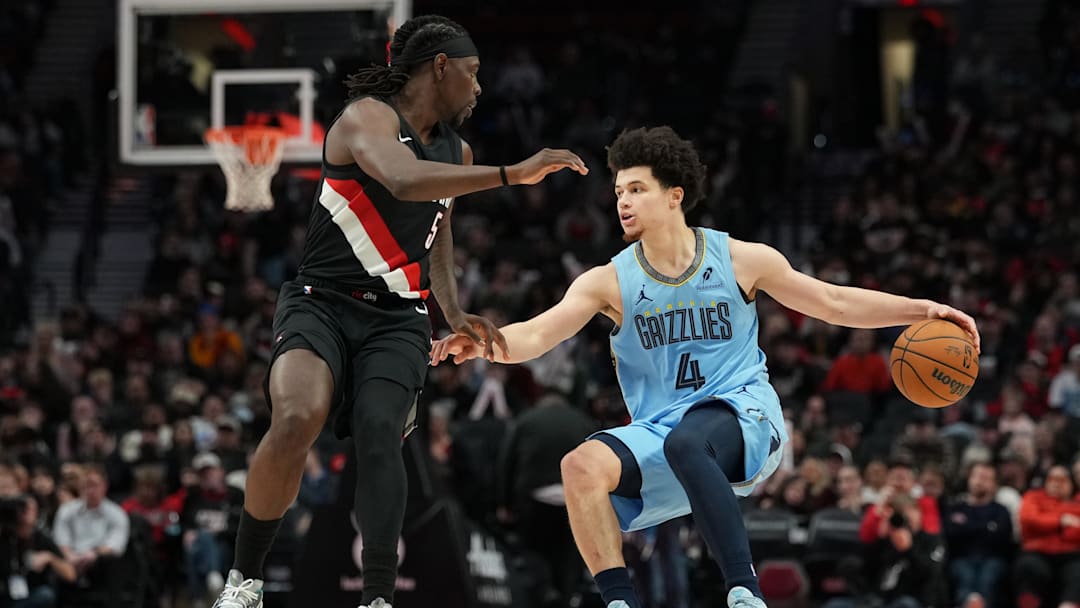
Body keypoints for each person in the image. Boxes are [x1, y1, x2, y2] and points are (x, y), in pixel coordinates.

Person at [431, 125, 980, 608]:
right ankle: (619, 602)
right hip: (662, 431)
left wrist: (922, 309)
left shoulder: (740, 259)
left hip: (742, 415)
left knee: (688, 441)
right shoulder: (608, 281)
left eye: (637, 189)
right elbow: (536, 334)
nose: (622, 201)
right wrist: (485, 344)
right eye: (618, 191)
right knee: (581, 467)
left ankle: (745, 592)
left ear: (675, 197)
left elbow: (834, 303)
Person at [211, 14, 588, 608]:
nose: (479, 86)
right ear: (439, 67)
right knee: (296, 415)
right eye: (472, 72)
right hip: (323, 303)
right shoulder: (366, 117)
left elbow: (436, 232)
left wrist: (454, 310)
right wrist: (512, 174)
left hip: (398, 318)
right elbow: (403, 180)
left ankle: (378, 598)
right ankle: (244, 581)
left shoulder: (457, 148)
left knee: (381, 430)